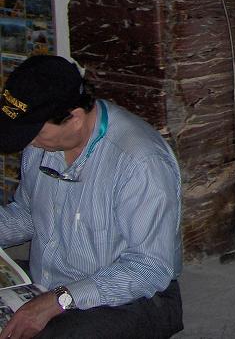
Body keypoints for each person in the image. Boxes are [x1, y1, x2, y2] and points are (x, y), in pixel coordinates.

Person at [0, 55, 182, 339]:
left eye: (35, 132)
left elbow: (149, 269)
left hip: (130, 297)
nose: (29, 142)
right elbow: (28, 213)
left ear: (74, 118)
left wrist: (60, 300)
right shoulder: (41, 143)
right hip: (48, 282)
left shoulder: (140, 161)